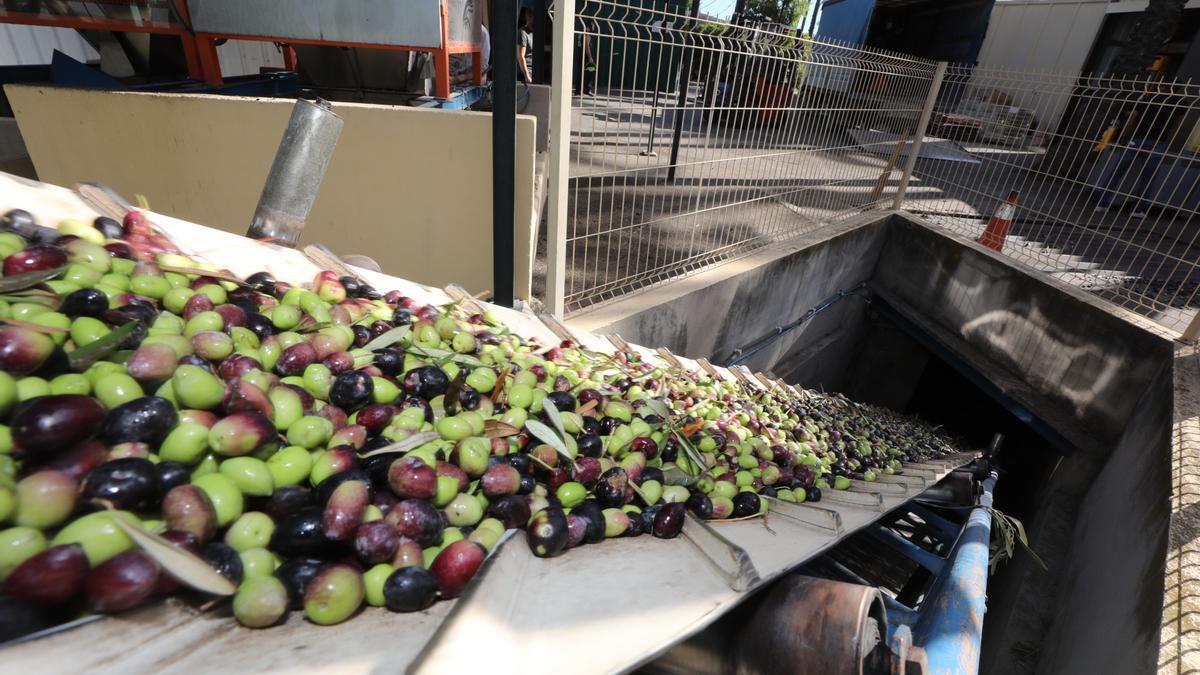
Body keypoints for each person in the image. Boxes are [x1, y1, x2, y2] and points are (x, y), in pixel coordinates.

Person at [1094, 85, 1188, 218]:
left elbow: (1132, 119)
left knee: (1117, 172)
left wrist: (1124, 137)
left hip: (1136, 139)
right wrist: (1169, 139)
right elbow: (1178, 124)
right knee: (1148, 178)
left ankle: (1102, 203)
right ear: (1177, 89)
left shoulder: (1147, 98)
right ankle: (1137, 210)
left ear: (1160, 86)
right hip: (1157, 142)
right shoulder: (1179, 102)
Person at [574, 17, 596, 95]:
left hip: (580, 56)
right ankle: (587, 90)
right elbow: (587, 46)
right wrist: (590, 57)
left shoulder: (581, 33)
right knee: (589, 73)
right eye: (592, 24)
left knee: (580, 73)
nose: (593, 26)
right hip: (585, 57)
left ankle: (578, 90)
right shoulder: (587, 34)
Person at [517, 7, 534, 84]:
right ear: (528, 17)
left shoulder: (536, 33)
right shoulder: (523, 33)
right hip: (526, 73)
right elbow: (521, 56)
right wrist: (527, 76)